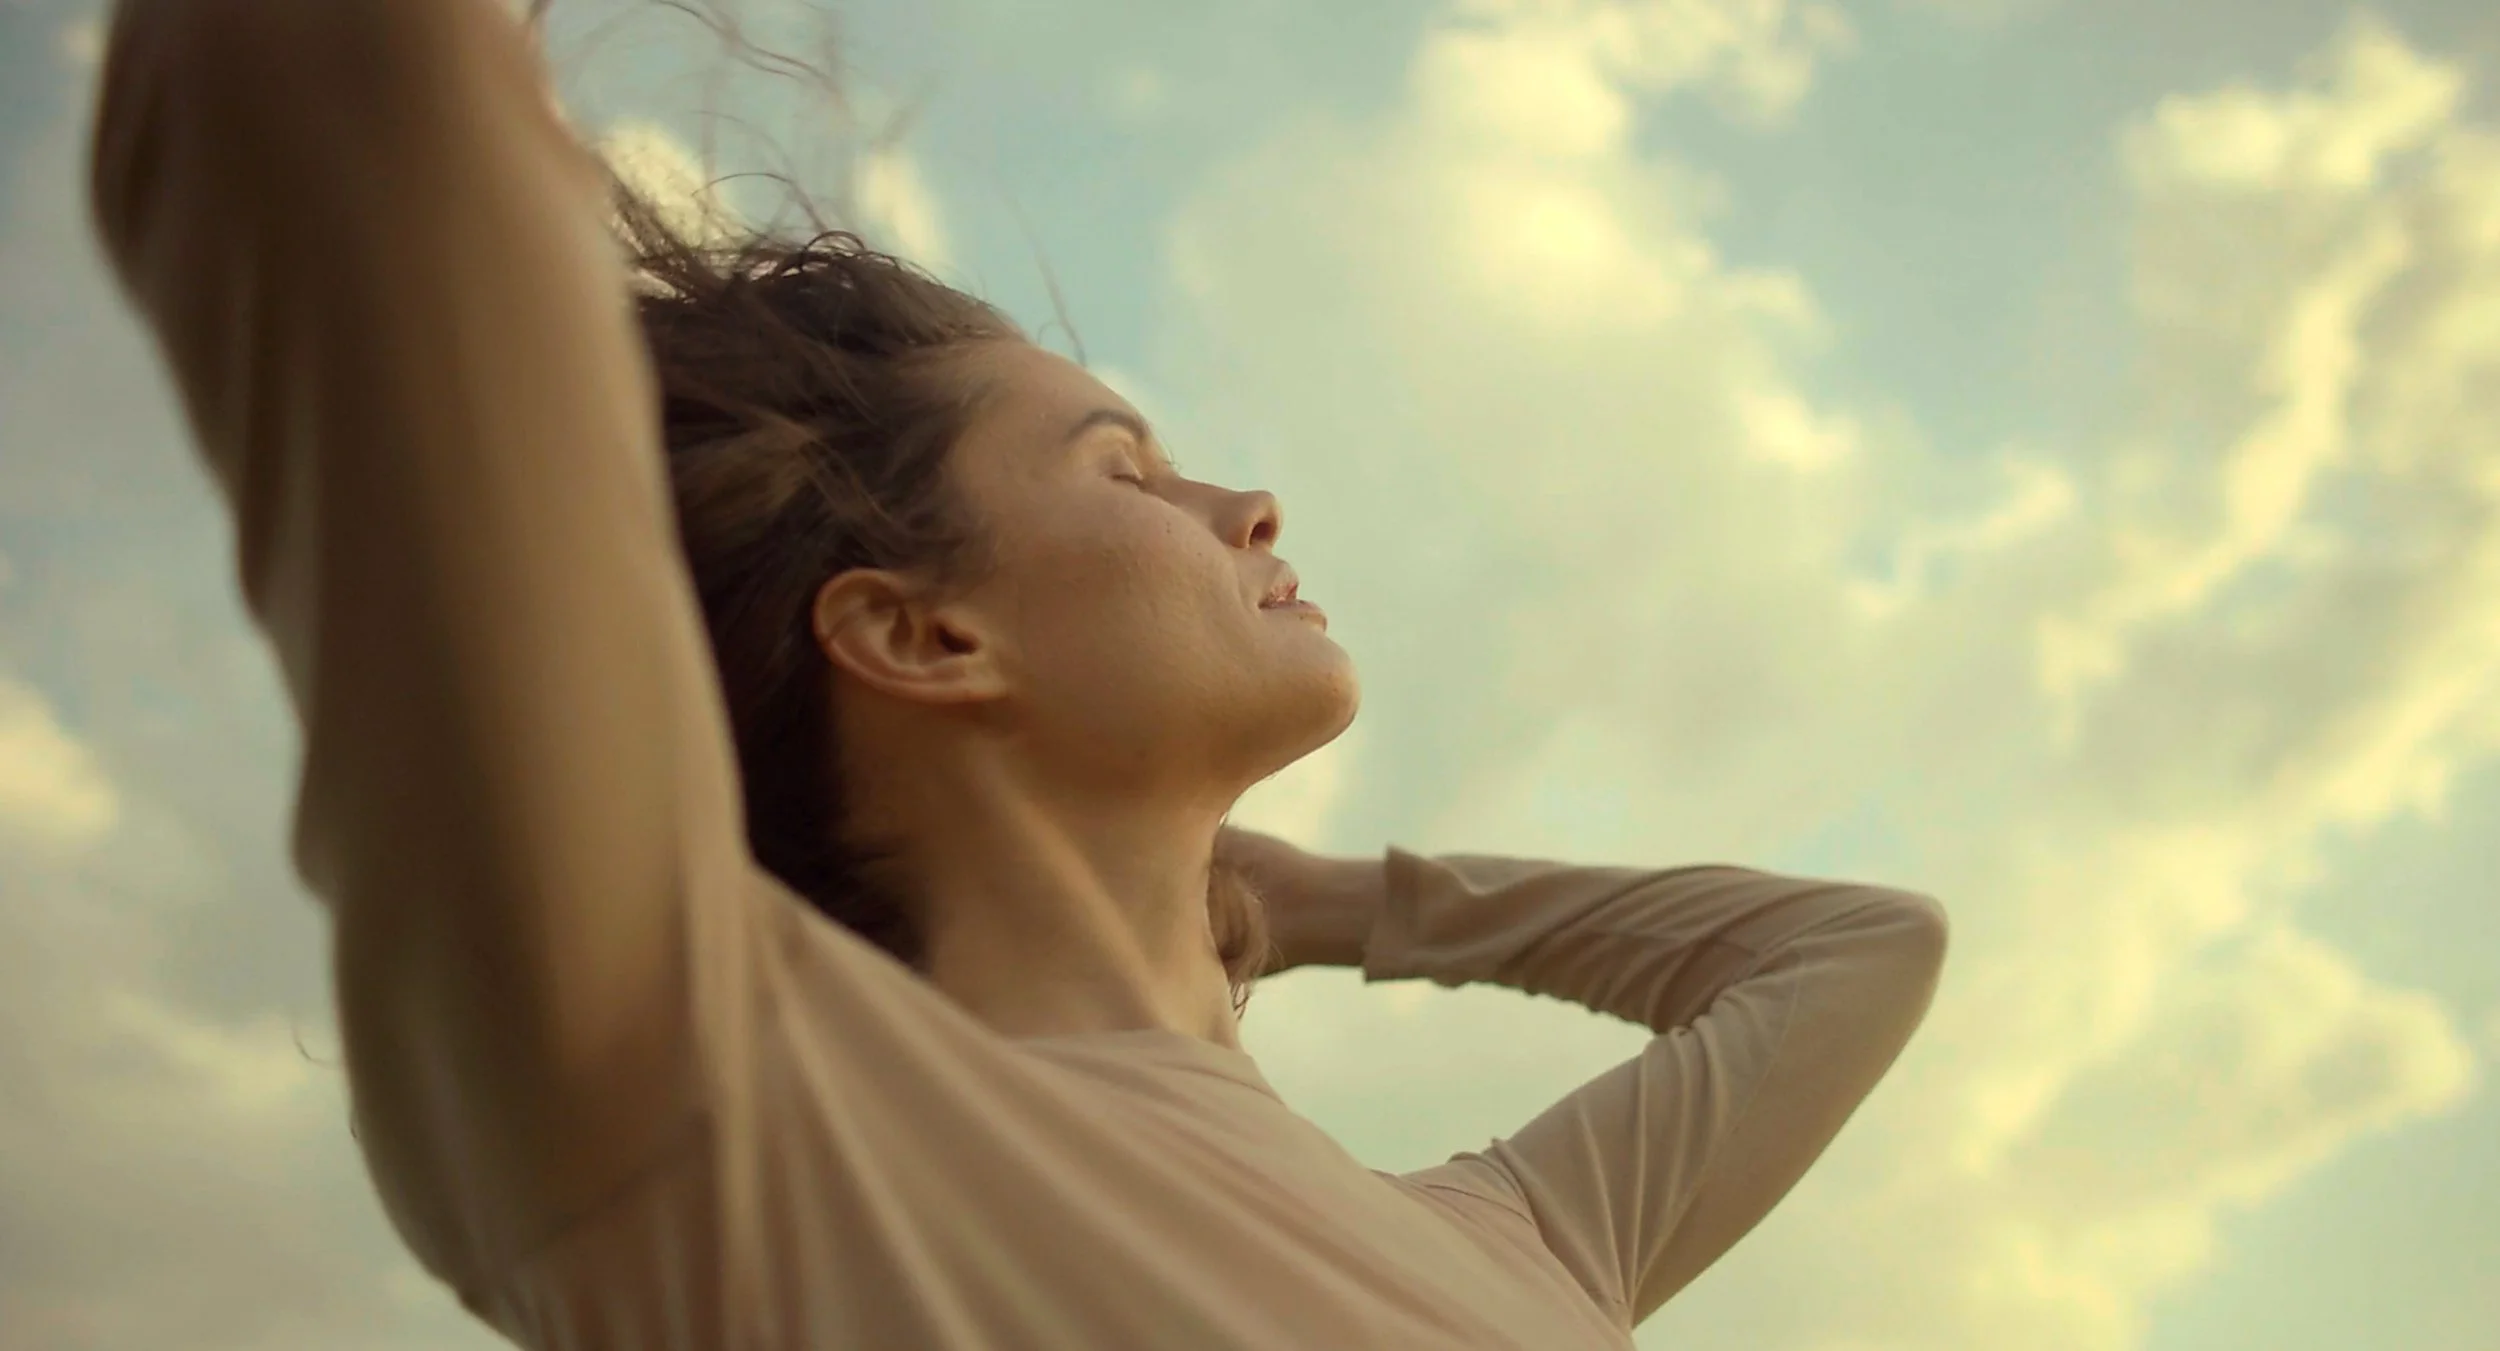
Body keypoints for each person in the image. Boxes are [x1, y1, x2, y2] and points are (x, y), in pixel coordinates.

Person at [86, 0, 1952, 1346]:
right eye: (1125, 471)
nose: (1244, 499)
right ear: (917, 633)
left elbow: (1856, 948)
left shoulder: (1524, 1246)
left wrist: (1318, 906)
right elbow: (313, 66)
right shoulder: (728, 1104)